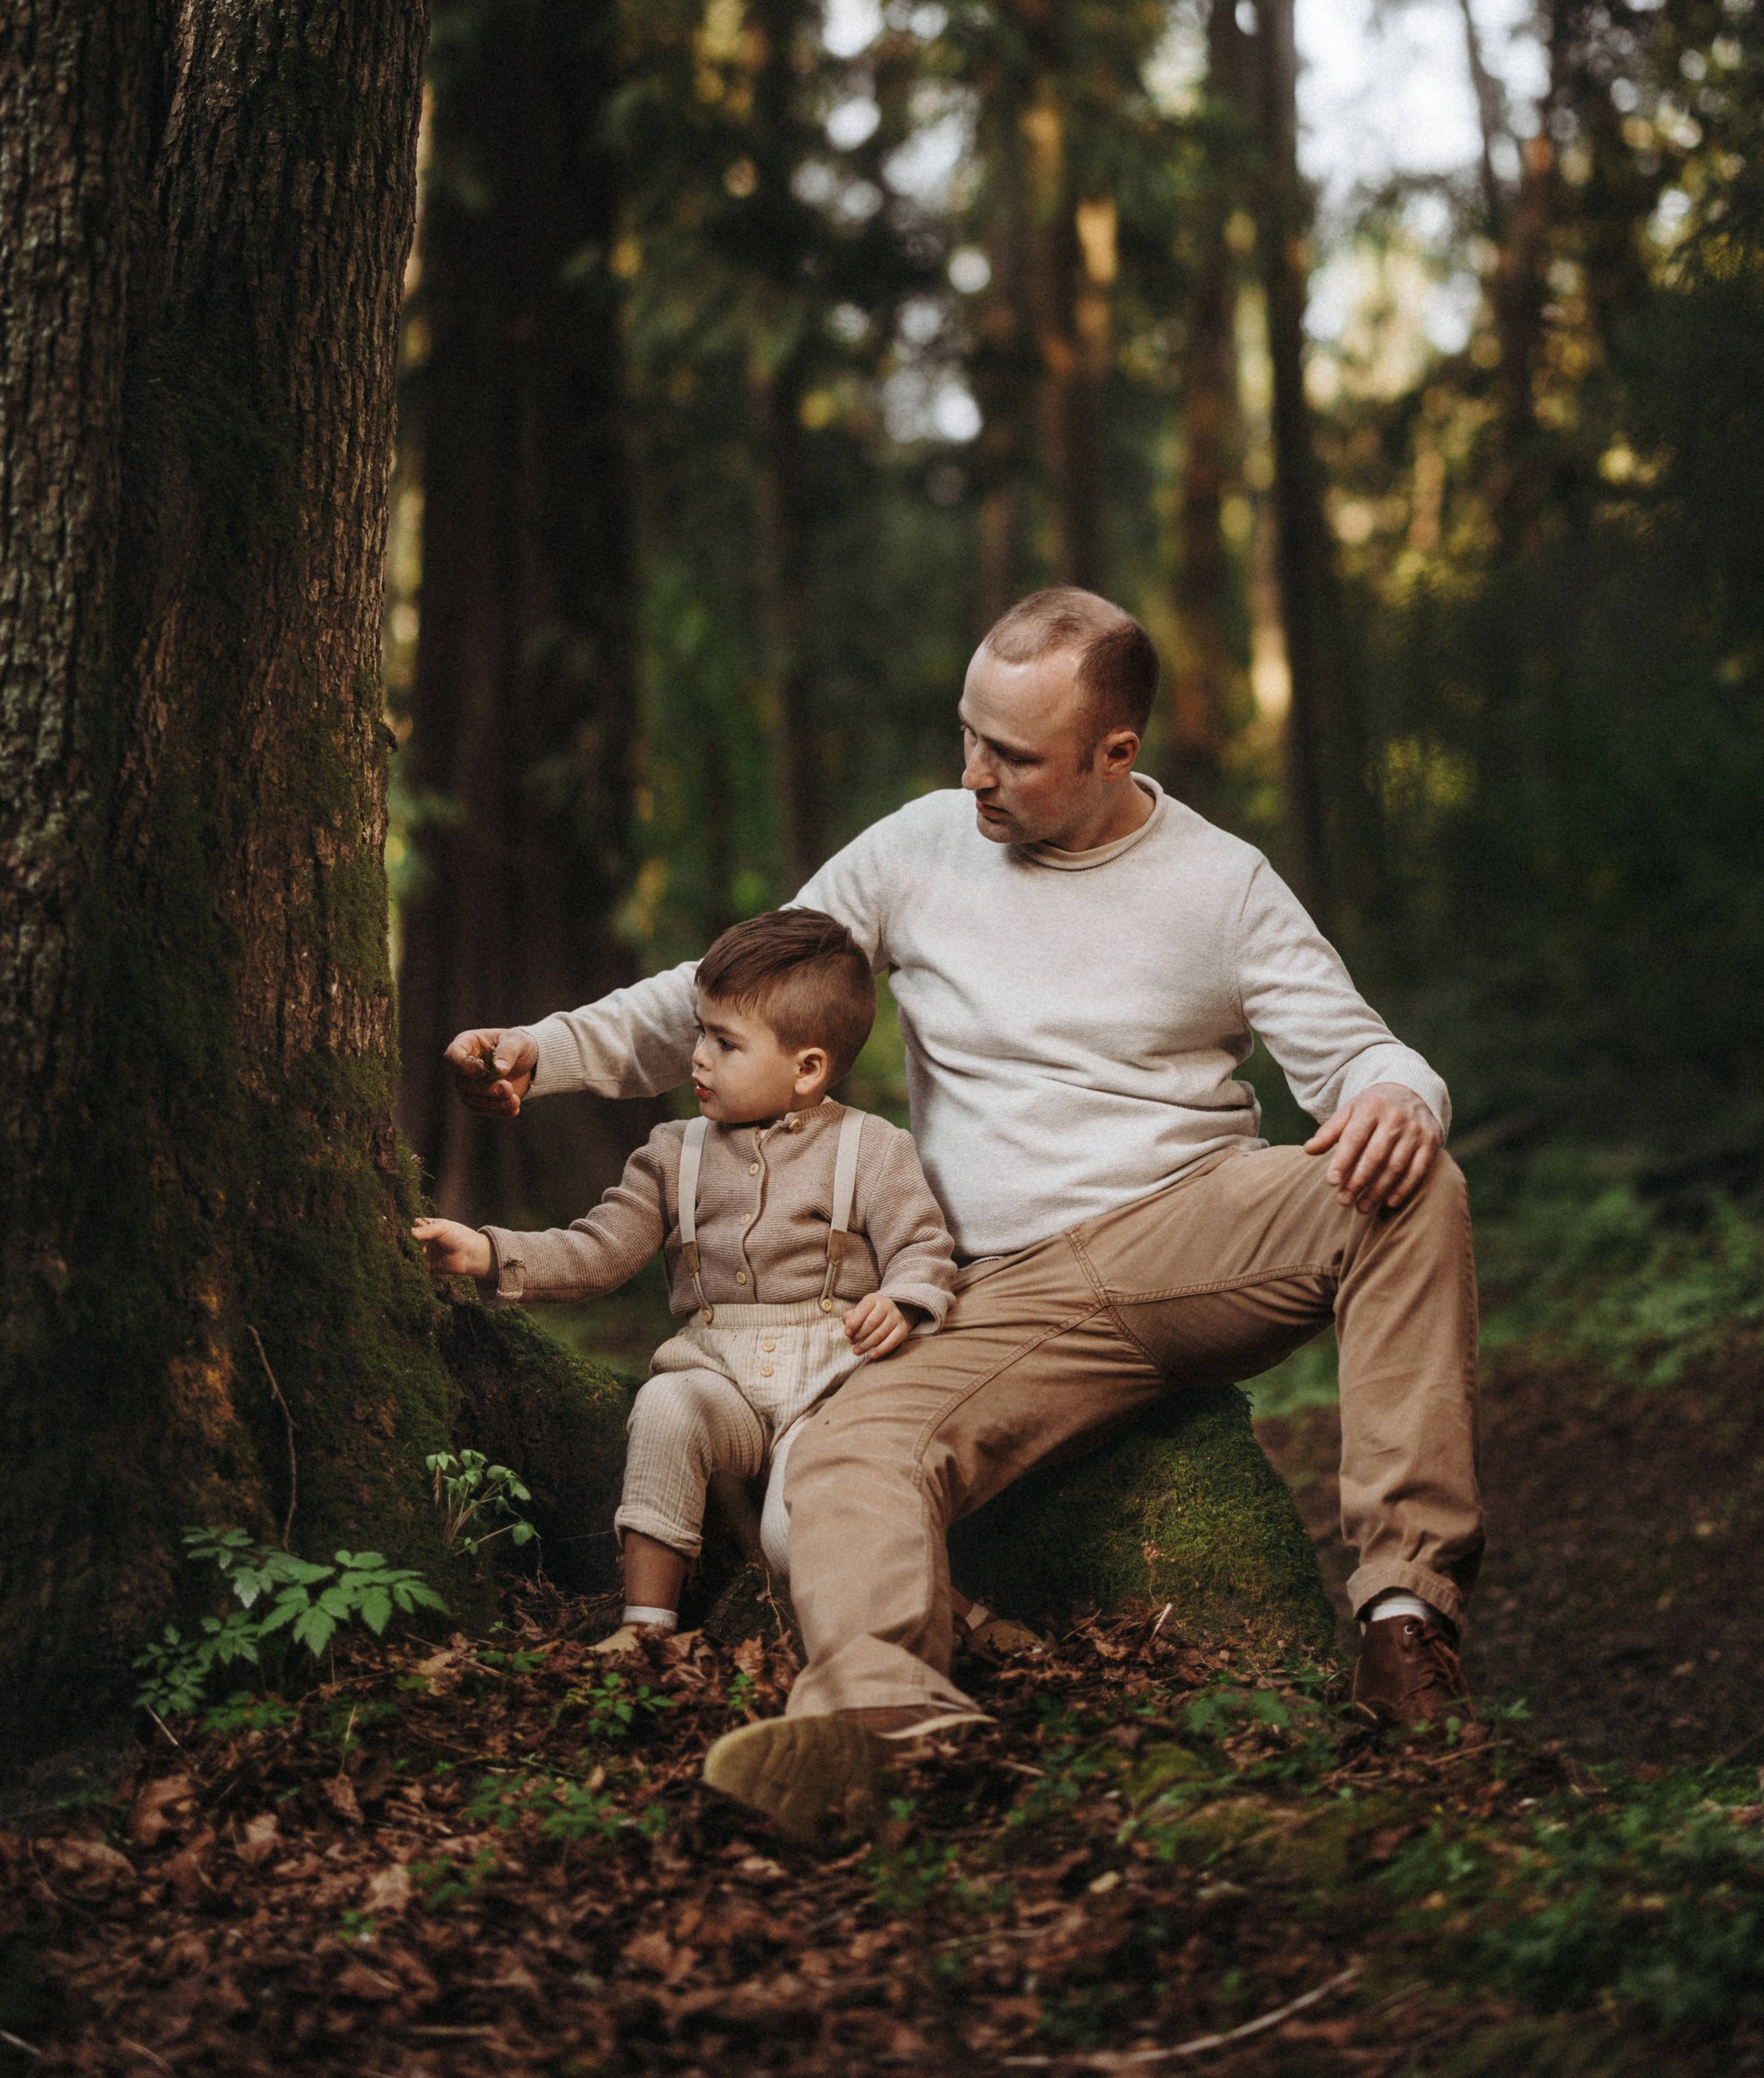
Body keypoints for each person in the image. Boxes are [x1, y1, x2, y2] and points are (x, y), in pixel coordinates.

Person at [448, 588, 1482, 1840]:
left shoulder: (1222, 884)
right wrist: (543, 1050)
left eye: (1016, 755)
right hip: (992, 1290)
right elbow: (736, 993)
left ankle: (1404, 1620)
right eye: (968, 734)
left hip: (1191, 1227)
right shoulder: (918, 848)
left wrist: (1397, 1097)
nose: (974, 773)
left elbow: (1363, 1055)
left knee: (1413, 1179)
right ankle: (894, 1719)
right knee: (840, 1453)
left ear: (1117, 754)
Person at [417, 908, 955, 1646]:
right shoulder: (674, 1152)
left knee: (801, 1521)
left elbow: (922, 1245)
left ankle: (875, 1627)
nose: (698, 1057)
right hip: (720, 1378)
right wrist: (486, 1252)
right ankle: (647, 1625)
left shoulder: (872, 1149)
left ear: (809, 1068)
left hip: (832, 1385)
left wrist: (903, 1298)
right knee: (668, 1407)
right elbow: (598, 1250)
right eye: (700, 1031)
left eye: (725, 1043)